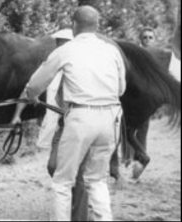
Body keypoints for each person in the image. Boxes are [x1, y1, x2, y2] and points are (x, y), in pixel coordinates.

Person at [22, 6, 126, 221]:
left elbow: (35, 85)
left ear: (74, 25)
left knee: (62, 182)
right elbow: (121, 88)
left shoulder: (66, 50)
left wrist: (31, 96)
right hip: (111, 118)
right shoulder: (112, 50)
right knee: (97, 180)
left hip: (81, 117)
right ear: (97, 26)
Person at [10, 29, 90, 221]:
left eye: (64, 42)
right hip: (60, 126)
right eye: (59, 43)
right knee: (53, 166)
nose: (61, 46)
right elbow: (29, 88)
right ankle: (72, 202)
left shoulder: (84, 68)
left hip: (82, 124)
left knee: (80, 175)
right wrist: (17, 115)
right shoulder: (52, 66)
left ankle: (80, 214)